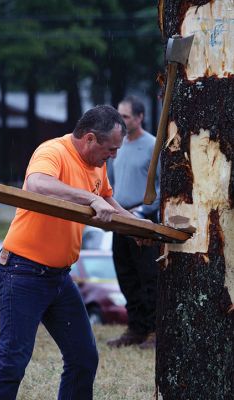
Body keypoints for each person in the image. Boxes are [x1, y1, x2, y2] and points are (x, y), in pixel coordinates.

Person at [0, 105, 139, 400]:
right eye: (110, 149)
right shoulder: (52, 151)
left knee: (83, 358)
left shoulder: (97, 164)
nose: (113, 156)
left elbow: (108, 202)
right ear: (90, 139)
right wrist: (91, 198)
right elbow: (38, 184)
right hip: (23, 271)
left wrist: (142, 228)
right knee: (12, 361)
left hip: (59, 278)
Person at [107, 95, 160, 349]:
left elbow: (162, 186)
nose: (122, 120)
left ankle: (154, 330)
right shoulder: (118, 145)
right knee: (125, 273)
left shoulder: (153, 146)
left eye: (126, 116)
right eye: (120, 115)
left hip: (142, 219)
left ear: (140, 117)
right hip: (120, 217)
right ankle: (136, 328)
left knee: (147, 276)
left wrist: (143, 210)